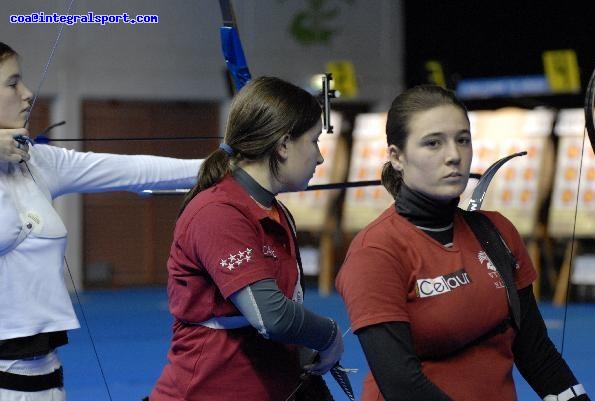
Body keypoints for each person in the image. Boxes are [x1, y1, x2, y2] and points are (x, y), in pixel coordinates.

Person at [335, 84, 591, 401]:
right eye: (433, 143)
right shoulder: (375, 251)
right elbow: (402, 385)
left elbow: (536, 352)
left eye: (462, 140)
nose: (454, 156)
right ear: (396, 157)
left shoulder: (496, 231)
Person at [0, 41, 204, 401]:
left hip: (44, 377)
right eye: (12, 83)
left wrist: (231, 168)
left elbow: (135, 170)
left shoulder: (38, 161)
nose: (28, 93)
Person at [149, 76, 344, 401]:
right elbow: (273, 317)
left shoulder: (275, 211)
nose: (320, 157)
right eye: (313, 141)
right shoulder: (217, 212)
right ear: (283, 145)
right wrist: (330, 335)